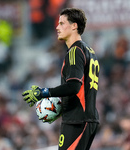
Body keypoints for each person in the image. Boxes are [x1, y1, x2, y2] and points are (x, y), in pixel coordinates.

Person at [22, 8, 100, 150]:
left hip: (78, 120)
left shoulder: (75, 51)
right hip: (83, 118)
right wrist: (61, 107)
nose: (57, 27)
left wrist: (43, 92)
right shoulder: (89, 51)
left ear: (74, 25)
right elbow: (82, 90)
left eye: (62, 23)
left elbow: (74, 86)